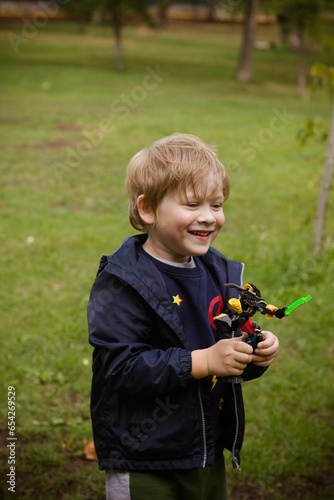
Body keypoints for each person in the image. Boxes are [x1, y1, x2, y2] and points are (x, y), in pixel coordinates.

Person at [87, 133, 279, 500]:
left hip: (205, 449)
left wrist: (254, 353)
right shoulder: (123, 282)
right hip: (145, 458)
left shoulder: (219, 274)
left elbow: (227, 350)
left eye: (217, 204)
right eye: (192, 205)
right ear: (148, 210)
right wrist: (204, 360)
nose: (208, 217)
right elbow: (121, 368)